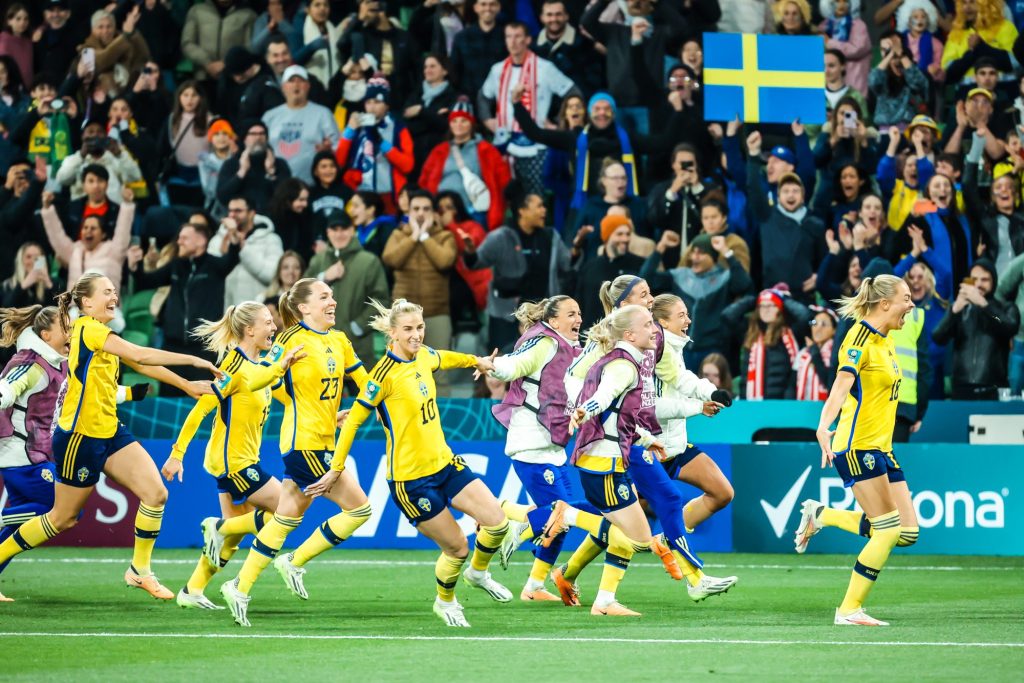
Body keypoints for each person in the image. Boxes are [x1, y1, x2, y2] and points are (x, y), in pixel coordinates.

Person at [0, 273, 219, 599]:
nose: (114, 296)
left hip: (109, 429)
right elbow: (141, 355)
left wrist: (186, 385)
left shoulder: (102, 334)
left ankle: (139, 570)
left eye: (115, 291)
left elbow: (139, 364)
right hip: (79, 436)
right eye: (106, 292)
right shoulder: (87, 328)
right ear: (87, 302)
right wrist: (193, 360)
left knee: (156, 493)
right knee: (62, 517)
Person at [305, 298, 511, 628]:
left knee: (498, 523)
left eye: (420, 327)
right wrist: (336, 468)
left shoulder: (425, 355)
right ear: (392, 333)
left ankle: (478, 573)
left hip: (445, 464)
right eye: (409, 329)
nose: (417, 335)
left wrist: (479, 361)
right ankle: (445, 602)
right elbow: (355, 421)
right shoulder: (382, 376)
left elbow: (446, 357)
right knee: (457, 547)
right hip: (411, 482)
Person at [162, 301, 304, 609]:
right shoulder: (232, 367)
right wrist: (177, 454)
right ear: (249, 330)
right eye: (267, 322)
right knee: (288, 509)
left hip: (242, 460)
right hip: (233, 463)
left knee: (235, 538)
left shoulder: (262, 366)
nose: (274, 327)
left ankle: (192, 590)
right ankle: (218, 527)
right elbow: (201, 410)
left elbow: (280, 395)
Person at [795, 274, 918, 627]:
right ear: (884, 303)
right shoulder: (859, 336)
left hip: (882, 447)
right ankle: (849, 610)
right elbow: (841, 386)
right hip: (856, 445)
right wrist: (823, 427)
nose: (910, 305)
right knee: (888, 530)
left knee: (906, 532)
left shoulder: (887, 340)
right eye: (905, 299)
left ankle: (822, 515)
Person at [648, 294, 736, 549]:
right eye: (681, 315)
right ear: (663, 321)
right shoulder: (651, 352)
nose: (688, 320)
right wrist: (698, 406)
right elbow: (651, 408)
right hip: (649, 451)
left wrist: (711, 393)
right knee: (611, 528)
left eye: (687, 314)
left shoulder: (670, 347)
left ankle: (667, 540)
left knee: (722, 493)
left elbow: (683, 378)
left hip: (673, 447)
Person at [128, 221, 240, 396]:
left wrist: (233, 237)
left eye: (184, 238)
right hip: (173, 348)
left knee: (203, 402)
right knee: (170, 403)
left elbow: (232, 259)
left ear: (201, 241)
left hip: (204, 350)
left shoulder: (215, 266)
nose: (179, 242)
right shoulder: (176, 265)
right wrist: (135, 266)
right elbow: (147, 281)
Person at [0, 305, 66, 601]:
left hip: (35, 453)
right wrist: (5, 393)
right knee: (60, 509)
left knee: (21, 523)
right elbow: (10, 386)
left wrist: (129, 394)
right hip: (19, 452)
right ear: (46, 334)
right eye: (66, 327)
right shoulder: (31, 362)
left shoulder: (58, 363)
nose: (72, 332)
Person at [463, 192, 574, 354]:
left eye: (544, 206)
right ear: (522, 210)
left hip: (543, 315)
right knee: (502, 363)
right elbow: (476, 263)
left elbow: (567, 264)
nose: (544, 210)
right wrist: (470, 252)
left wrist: (577, 249)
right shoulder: (501, 237)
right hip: (506, 316)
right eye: (539, 206)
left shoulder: (551, 237)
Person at [479, 22, 576, 195]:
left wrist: (559, 123)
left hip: (536, 144)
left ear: (528, 40)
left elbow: (572, 93)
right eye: (509, 36)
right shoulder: (498, 70)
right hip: (505, 142)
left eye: (518, 36)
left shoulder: (545, 68)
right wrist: (487, 119)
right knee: (507, 196)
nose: (513, 42)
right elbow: (483, 96)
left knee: (535, 197)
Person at [642, 232, 753, 370]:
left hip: (713, 351)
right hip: (683, 350)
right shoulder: (680, 276)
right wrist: (660, 247)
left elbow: (744, 284)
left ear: (712, 257)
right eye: (693, 252)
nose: (695, 257)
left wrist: (726, 252)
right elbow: (645, 279)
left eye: (701, 253)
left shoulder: (724, 277)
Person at [306, 210, 389, 365]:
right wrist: (324, 277)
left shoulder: (369, 261)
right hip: (321, 349)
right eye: (334, 229)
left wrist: (357, 327)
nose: (339, 234)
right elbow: (300, 295)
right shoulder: (318, 261)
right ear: (328, 232)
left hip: (359, 348)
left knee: (362, 389)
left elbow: (381, 299)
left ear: (352, 230)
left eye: (343, 229)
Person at [381, 190, 457, 354]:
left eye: (426, 209)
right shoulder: (398, 235)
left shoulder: (445, 236)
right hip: (402, 315)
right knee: (401, 369)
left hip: (437, 313)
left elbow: (444, 262)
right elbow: (390, 259)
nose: (420, 213)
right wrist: (414, 236)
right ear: (408, 212)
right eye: (416, 209)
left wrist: (424, 237)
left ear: (433, 213)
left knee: (439, 370)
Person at [932, 260, 1019, 400]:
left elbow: (1008, 326)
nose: (978, 284)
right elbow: (938, 337)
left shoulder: (1006, 308)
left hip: (993, 388)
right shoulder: (961, 309)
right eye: (974, 279)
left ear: (993, 282)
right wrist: (954, 310)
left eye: (984, 280)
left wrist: (983, 304)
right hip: (962, 388)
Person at [419, 98, 510, 231]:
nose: (458, 125)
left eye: (464, 120)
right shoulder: (440, 151)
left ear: (472, 124)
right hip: (441, 211)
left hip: (473, 212)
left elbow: (503, 182)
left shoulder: (487, 151)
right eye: (454, 121)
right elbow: (424, 180)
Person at [336, 75, 414, 214]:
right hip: (360, 195)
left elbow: (408, 165)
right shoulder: (357, 127)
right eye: (368, 102)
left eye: (377, 102)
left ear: (387, 105)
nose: (371, 107)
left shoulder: (398, 128)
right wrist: (349, 131)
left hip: (388, 194)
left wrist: (382, 143)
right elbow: (338, 162)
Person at [41, 187, 135, 298]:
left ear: (103, 234)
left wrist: (127, 205)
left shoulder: (113, 250)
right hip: (76, 310)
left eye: (93, 228)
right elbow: (57, 235)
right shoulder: (74, 251)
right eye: (85, 228)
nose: (88, 231)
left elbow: (123, 230)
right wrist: (47, 209)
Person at [723, 287, 811, 400]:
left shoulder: (790, 331)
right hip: (751, 401)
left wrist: (784, 299)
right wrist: (753, 299)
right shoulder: (749, 331)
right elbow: (727, 315)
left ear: (779, 309)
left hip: (781, 402)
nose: (766, 309)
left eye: (771, 305)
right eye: (762, 306)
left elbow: (805, 316)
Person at [263, 65, 339, 185]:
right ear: (283, 87)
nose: (296, 85)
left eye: (301, 81)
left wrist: (327, 151)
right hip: (276, 184)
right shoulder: (269, 116)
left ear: (308, 86)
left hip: (312, 184)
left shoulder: (323, 113)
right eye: (291, 81)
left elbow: (337, 146)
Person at [207, 195, 284, 308]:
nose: (232, 215)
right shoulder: (218, 239)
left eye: (238, 211)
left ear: (252, 213)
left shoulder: (270, 239)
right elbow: (209, 273)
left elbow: (273, 275)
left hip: (258, 312)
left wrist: (242, 249)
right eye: (230, 211)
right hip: (227, 313)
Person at [576, 214, 645, 329]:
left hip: (627, 335)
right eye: (619, 234)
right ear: (607, 237)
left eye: (628, 234)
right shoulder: (590, 267)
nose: (625, 239)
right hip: (592, 336)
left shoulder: (639, 265)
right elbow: (579, 303)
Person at [216, 120, 292, 215]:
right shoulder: (231, 164)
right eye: (253, 134)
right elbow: (222, 196)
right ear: (244, 139)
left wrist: (271, 173)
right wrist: (241, 173)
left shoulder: (279, 164)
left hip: (274, 218)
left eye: (262, 134)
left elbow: (288, 198)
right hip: (241, 220)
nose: (258, 137)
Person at [403, 53, 459, 176]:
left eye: (432, 66)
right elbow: (407, 124)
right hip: (413, 156)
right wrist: (433, 116)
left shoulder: (453, 96)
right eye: (425, 67)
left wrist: (420, 111)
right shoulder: (416, 93)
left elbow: (445, 126)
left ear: (445, 71)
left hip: (438, 156)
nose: (427, 70)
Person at [159, 81, 210, 207]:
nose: (189, 100)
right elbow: (162, 146)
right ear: (179, 97)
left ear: (200, 98)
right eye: (185, 95)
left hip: (202, 173)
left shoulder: (209, 119)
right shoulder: (172, 119)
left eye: (194, 95)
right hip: (178, 173)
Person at [181, 0, 257, 85]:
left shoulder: (248, 15)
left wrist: (226, 63)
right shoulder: (197, 11)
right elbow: (187, 43)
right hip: (202, 76)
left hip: (234, 78)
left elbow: (249, 47)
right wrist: (207, 63)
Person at [448, 0, 506, 98]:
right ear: (475, 8)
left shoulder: (507, 36)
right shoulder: (462, 37)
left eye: (492, 4)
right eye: (483, 4)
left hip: (500, 95)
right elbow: (454, 69)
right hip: (469, 96)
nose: (488, 8)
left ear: (499, 7)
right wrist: (458, 94)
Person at [819, 0, 871, 97]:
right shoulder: (823, 26)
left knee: (853, 110)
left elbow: (856, 49)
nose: (841, 5)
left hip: (855, 87)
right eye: (837, 1)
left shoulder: (858, 25)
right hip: (830, 88)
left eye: (845, 1)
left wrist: (829, 43)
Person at [794, 305, 839, 401]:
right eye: (814, 323)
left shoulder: (838, 354)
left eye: (824, 324)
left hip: (826, 409)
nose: (818, 328)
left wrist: (815, 353)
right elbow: (791, 385)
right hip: (802, 409)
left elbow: (829, 383)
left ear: (834, 330)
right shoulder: (803, 353)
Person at [2, 243, 59, 309]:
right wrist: (24, 285)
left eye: (37, 257)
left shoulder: (53, 283)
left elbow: (61, 308)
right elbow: (5, 308)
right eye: (28, 257)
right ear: (21, 260)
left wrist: (48, 283)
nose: (33, 261)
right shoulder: (8, 285)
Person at [268, 179, 314, 260]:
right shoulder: (272, 219)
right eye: (301, 200)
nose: (305, 204)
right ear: (287, 200)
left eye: (306, 200)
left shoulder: (305, 215)